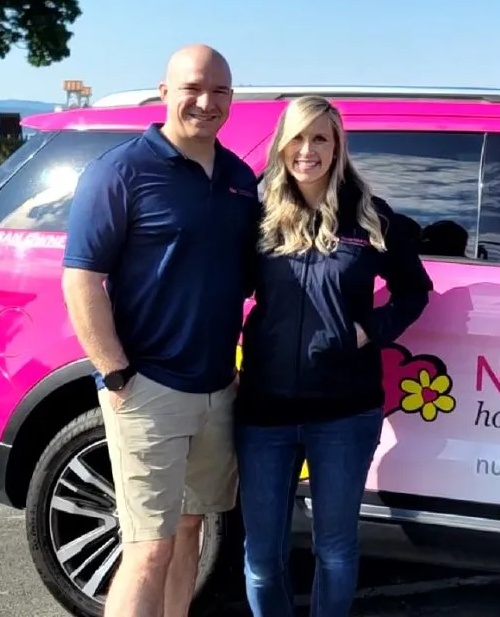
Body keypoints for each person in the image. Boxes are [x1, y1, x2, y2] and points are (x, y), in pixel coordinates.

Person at [61, 44, 261, 617]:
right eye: (193, 88)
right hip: (150, 390)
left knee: (190, 531)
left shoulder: (239, 178)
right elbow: (81, 281)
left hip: (217, 388)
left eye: (220, 91)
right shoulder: (121, 171)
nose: (206, 102)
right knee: (148, 547)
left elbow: (248, 275)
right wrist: (117, 374)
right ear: (165, 91)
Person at [236, 95, 433, 617]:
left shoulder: (368, 215)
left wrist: (371, 328)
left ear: (337, 146)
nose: (308, 150)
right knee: (262, 555)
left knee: (336, 549)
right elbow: (218, 287)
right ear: (282, 144)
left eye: (320, 138)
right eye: (298, 138)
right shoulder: (256, 216)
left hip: (345, 414)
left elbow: (414, 289)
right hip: (263, 413)